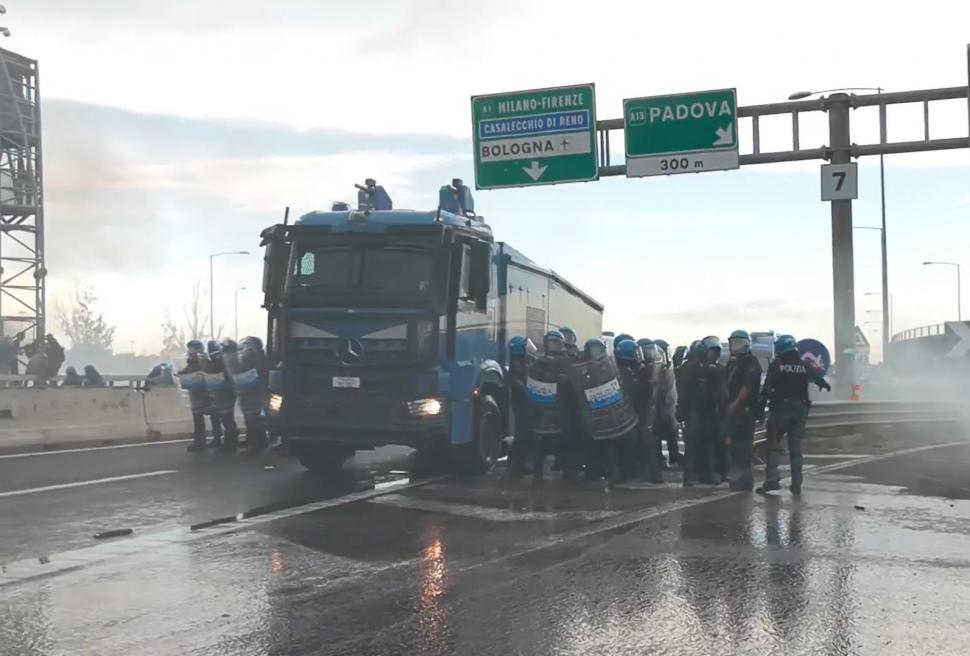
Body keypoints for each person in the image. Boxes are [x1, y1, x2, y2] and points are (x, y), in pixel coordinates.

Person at [757, 334, 831, 495]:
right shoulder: (804, 364)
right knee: (795, 447)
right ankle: (797, 483)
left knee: (773, 444)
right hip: (800, 409)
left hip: (781, 409)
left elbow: (767, 388)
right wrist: (825, 385)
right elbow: (818, 379)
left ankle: (772, 481)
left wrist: (760, 409)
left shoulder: (778, 363)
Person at [679, 336, 727, 486]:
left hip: (710, 411)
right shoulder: (691, 367)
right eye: (712, 352)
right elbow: (683, 390)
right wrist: (681, 409)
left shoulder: (717, 370)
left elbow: (722, 391)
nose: (715, 355)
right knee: (692, 444)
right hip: (694, 411)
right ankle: (689, 476)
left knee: (708, 444)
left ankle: (706, 474)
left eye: (716, 352)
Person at [724, 330, 763, 491]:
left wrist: (735, 403)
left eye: (739, 343)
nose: (736, 346)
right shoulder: (732, 362)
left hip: (745, 409)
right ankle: (737, 478)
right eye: (734, 343)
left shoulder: (751, 362)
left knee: (743, 446)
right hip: (732, 409)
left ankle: (745, 481)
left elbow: (747, 386)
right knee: (733, 445)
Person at [223, 336, 269, 456]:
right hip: (256, 391)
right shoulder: (259, 356)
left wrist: (229, 355)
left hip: (251, 392)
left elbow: (237, 369)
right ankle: (260, 441)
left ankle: (254, 446)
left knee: (251, 418)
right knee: (254, 417)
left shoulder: (249, 356)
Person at [202, 339, 240, 453]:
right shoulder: (217, 359)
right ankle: (218, 439)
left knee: (226, 418)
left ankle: (231, 442)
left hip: (226, 391)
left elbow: (217, 370)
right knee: (216, 416)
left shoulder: (225, 359)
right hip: (217, 392)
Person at [179, 340, 215, 452]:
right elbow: (186, 371)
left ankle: (218, 439)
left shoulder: (204, 360)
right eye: (190, 349)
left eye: (193, 348)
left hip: (207, 394)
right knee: (198, 420)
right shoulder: (190, 362)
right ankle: (200, 442)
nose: (190, 351)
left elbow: (209, 371)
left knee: (215, 417)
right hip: (196, 394)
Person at [653, 338, 681, 466]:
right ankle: (659, 458)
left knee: (672, 431)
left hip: (669, 403)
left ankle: (674, 455)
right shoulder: (655, 369)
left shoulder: (668, 367)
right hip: (660, 405)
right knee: (658, 432)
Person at [506, 336, 531, 477]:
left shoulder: (517, 362)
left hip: (519, 402)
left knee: (521, 433)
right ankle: (516, 465)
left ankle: (516, 464)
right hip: (521, 402)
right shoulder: (517, 364)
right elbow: (517, 383)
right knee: (522, 434)